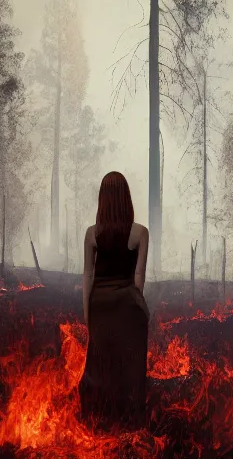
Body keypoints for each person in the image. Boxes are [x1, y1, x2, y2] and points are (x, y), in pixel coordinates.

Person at [79, 171, 150, 430]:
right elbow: (139, 277)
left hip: (99, 305)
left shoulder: (91, 234)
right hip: (127, 306)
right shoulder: (140, 232)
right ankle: (131, 419)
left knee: (100, 363)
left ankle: (98, 419)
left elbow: (88, 275)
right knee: (130, 366)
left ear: (103, 200)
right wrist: (134, 306)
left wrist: (88, 313)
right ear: (126, 198)